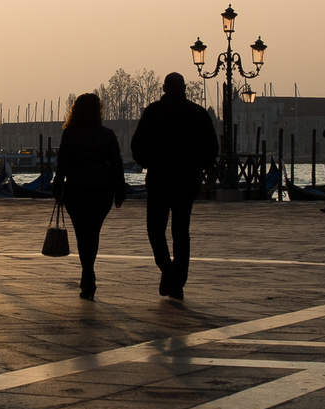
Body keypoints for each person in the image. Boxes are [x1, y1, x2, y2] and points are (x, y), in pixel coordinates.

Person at [130, 72, 218, 299]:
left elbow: (137, 146)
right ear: (184, 88)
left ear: (164, 88)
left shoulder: (153, 112)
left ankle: (167, 269)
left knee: (155, 229)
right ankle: (177, 279)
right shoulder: (198, 113)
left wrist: (150, 163)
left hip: (159, 178)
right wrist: (198, 167)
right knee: (181, 231)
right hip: (187, 180)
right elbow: (212, 148)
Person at [53, 92, 126, 300]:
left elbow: (62, 165)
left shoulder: (70, 134)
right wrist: (120, 192)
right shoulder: (107, 134)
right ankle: (88, 274)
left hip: (76, 189)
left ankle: (88, 275)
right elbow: (116, 166)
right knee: (93, 233)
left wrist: (57, 189)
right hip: (101, 190)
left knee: (81, 233)